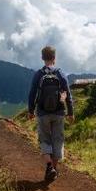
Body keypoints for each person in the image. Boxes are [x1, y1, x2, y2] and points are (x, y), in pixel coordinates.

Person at [28, 46, 75, 181]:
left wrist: (31, 111)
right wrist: (70, 112)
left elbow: (32, 94)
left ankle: (49, 166)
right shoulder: (60, 73)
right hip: (59, 112)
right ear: (54, 58)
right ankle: (54, 168)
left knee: (44, 139)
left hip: (42, 112)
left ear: (42, 58)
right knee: (57, 140)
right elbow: (68, 94)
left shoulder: (39, 74)